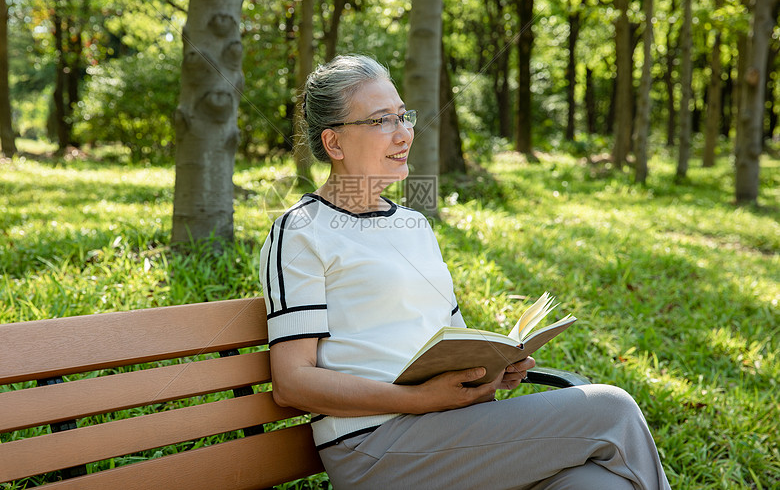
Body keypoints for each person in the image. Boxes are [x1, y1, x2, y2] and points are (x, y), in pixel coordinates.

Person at [259, 54, 671, 490]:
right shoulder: (302, 231)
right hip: (374, 449)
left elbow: (451, 345)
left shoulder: (413, 225)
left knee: (597, 486)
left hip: (450, 430)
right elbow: (291, 382)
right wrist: (416, 400)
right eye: (382, 121)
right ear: (334, 143)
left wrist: (492, 370)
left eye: (404, 116)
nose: (404, 134)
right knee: (611, 408)